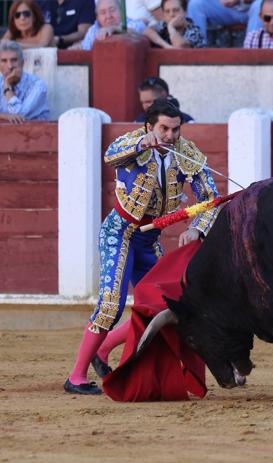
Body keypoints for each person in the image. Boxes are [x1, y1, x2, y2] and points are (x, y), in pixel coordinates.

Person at [64, 98, 221, 394]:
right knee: (111, 305)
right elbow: (111, 156)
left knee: (164, 306)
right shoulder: (133, 143)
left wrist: (197, 228)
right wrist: (141, 145)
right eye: (164, 129)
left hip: (149, 240)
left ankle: (104, 349)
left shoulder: (186, 153)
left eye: (176, 129)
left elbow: (211, 199)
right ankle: (76, 377)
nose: (171, 136)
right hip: (119, 233)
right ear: (150, 126)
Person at [0, 41, 50, 122]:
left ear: (22, 62)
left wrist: (7, 87)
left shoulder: (37, 85)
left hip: (35, 133)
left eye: (14, 60)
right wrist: (4, 116)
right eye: (4, 61)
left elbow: (20, 115)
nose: (9, 66)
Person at [75, 0, 146, 50]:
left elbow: (140, 27)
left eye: (112, 10)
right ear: (97, 17)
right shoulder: (93, 30)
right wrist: (78, 48)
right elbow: (85, 49)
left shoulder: (129, 23)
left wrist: (115, 29)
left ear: (121, 11)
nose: (108, 16)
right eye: (103, 13)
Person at [186, 0, 252, 40]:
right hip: (225, 8)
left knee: (259, 6)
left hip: (252, 9)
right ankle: (196, 51)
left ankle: (254, 54)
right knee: (195, 4)